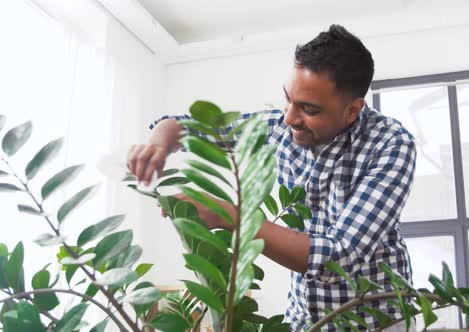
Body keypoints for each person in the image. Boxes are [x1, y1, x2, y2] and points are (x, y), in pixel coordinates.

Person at [127, 24, 416, 332]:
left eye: (308, 109)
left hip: (375, 320)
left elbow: (339, 258)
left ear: (352, 110)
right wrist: (159, 143)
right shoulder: (280, 128)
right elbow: (181, 126)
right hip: (303, 320)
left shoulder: (390, 144)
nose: (290, 117)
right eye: (287, 99)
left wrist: (231, 217)